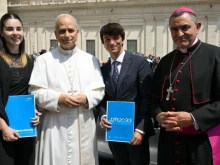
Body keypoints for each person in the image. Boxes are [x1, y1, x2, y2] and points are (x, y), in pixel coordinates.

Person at [28, 14, 105, 165]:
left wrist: (86, 98)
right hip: (54, 125)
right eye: (62, 31)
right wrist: (59, 99)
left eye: (71, 30)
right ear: (55, 34)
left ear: (77, 32)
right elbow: (34, 91)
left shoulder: (91, 60)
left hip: (83, 121)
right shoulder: (43, 60)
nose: (67, 35)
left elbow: (99, 90)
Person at [149, 7, 220, 165]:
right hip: (168, 143)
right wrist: (158, 115)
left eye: (185, 27)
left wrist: (193, 118)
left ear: (198, 27)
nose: (179, 33)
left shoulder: (216, 56)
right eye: (174, 29)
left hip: (201, 142)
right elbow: (153, 100)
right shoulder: (166, 61)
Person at [97, 23, 155, 165]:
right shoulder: (103, 69)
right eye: (107, 39)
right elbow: (102, 98)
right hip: (114, 131)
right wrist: (103, 115)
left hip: (135, 132)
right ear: (103, 42)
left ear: (123, 39)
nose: (112, 42)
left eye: (115, 38)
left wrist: (141, 129)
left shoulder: (139, 62)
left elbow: (147, 98)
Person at [0, 13, 40, 165]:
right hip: (3, 128)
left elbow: (32, 92)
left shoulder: (30, 61)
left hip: (25, 128)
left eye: (19, 29)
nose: (15, 33)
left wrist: (35, 110)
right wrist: (3, 128)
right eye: (10, 29)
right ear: (1, 32)